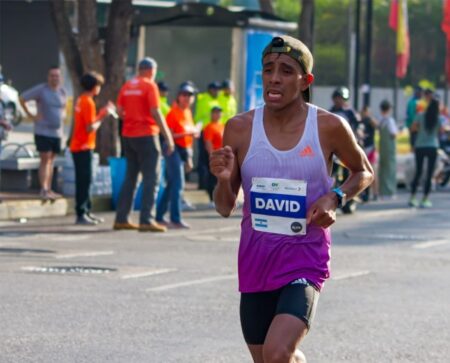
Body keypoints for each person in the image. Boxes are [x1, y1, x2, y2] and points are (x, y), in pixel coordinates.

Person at [209, 35, 374, 363]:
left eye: (286, 70)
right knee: (271, 360)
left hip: (305, 260)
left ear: (305, 81)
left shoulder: (328, 126)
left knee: (276, 352)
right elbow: (225, 206)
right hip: (255, 262)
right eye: (268, 69)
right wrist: (224, 180)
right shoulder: (240, 128)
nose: (274, 77)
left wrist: (334, 197)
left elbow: (364, 171)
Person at [113, 57, 174, 232]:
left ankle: (121, 218)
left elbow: (119, 111)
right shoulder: (149, 85)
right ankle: (146, 219)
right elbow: (156, 111)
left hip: (128, 136)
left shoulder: (127, 86)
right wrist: (168, 136)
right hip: (146, 135)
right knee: (151, 178)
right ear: (151, 70)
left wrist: (132, 120)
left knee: (130, 177)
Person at [70, 71, 113, 225]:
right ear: (95, 87)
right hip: (83, 146)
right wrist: (103, 116)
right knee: (84, 181)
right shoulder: (88, 102)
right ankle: (82, 212)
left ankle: (87, 211)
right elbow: (90, 127)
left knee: (85, 180)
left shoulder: (81, 100)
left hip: (79, 145)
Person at [19, 65, 67, 200]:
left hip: (57, 132)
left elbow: (64, 109)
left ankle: (49, 188)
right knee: (45, 158)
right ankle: (43, 189)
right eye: (52, 76)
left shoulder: (62, 92)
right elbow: (22, 98)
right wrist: (31, 115)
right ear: (48, 77)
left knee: (52, 160)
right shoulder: (41, 90)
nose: (54, 78)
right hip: (43, 131)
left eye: (57, 76)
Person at [156, 81, 198, 229]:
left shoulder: (188, 113)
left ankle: (159, 216)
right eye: (184, 95)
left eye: (190, 95)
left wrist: (189, 158)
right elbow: (169, 135)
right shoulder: (172, 113)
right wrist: (188, 133)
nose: (187, 98)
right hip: (172, 148)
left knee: (172, 185)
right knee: (178, 183)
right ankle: (175, 218)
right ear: (179, 96)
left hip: (183, 150)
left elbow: (189, 139)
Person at [409, 97, 444, 208]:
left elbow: (413, 128)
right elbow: (441, 131)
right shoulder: (438, 118)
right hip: (433, 146)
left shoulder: (420, 115)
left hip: (420, 145)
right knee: (429, 174)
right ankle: (425, 199)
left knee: (418, 172)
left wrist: (420, 131)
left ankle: (413, 197)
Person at [195, 81, 221, 190]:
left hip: (215, 132)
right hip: (205, 132)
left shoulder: (215, 100)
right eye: (215, 89)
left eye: (218, 89)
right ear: (210, 89)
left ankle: (205, 185)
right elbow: (200, 118)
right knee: (205, 160)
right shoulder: (205, 101)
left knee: (208, 161)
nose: (217, 91)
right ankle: (204, 184)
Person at [203, 106, 224, 206]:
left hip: (224, 156)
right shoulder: (209, 127)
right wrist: (212, 155)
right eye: (215, 112)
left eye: (219, 112)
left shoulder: (223, 125)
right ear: (211, 114)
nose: (217, 114)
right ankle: (212, 199)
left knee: (223, 179)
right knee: (213, 179)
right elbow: (208, 142)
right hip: (216, 155)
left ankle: (222, 199)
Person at [378, 100, 398, 199]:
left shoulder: (381, 120)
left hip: (382, 148)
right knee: (390, 169)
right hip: (390, 149)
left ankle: (382, 191)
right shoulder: (390, 120)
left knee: (383, 169)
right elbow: (394, 134)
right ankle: (389, 191)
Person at [360, 106, 379, 201]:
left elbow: (377, 126)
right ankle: (363, 193)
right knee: (363, 172)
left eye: (366, 112)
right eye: (363, 112)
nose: (364, 114)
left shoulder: (370, 121)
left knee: (372, 171)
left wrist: (370, 118)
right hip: (362, 149)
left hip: (370, 148)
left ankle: (375, 193)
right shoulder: (360, 122)